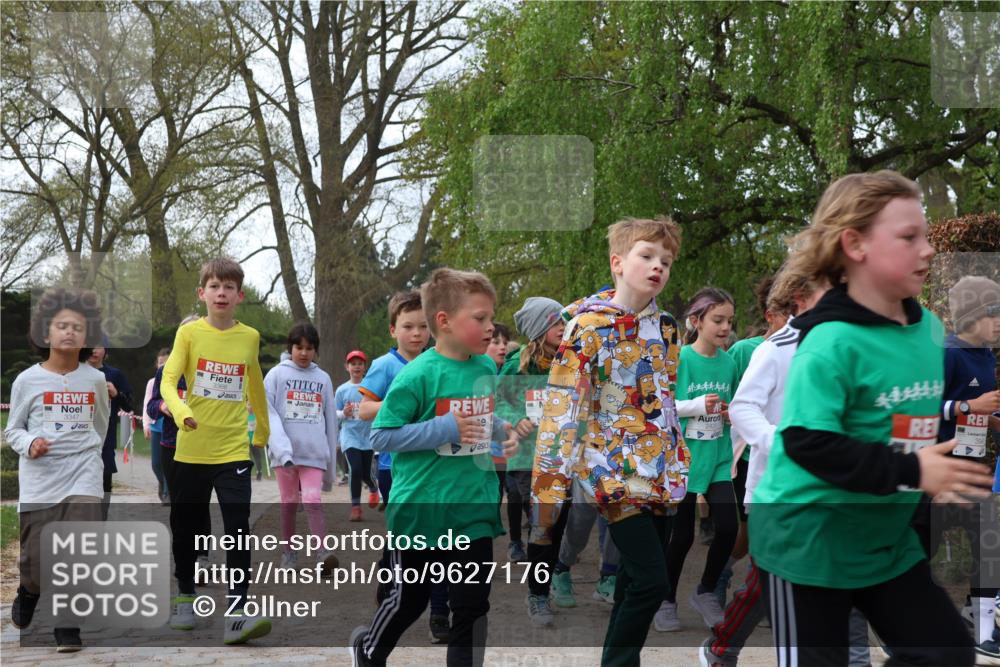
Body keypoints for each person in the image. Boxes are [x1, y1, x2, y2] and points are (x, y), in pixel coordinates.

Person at [748, 170, 993, 667]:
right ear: (854, 244)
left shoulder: (929, 330)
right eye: (909, 237)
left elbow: (899, 424)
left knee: (949, 655)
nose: (927, 250)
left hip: (884, 544)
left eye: (927, 235)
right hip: (807, 544)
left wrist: (928, 466)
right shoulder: (829, 343)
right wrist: (914, 470)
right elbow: (805, 443)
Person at [531, 216, 690, 667]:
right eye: (646, 256)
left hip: (659, 469)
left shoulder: (669, 327)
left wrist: (676, 454)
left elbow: (665, 397)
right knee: (654, 582)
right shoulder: (587, 328)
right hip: (610, 470)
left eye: (666, 260)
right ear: (618, 263)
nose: (657, 266)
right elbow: (561, 409)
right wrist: (549, 490)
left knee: (631, 583)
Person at [349, 268, 518, 667]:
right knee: (411, 599)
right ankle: (368, 651)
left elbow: (479, 417)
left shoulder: (485, 369)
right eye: (479, 319)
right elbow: (382, 437)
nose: (490, 327)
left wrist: (502, 431)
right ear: (443, 321)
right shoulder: (417, 375)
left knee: (472, 606)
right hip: (423, 509)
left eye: (490, 318)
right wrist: (442, 428)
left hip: (474, 507)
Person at [700, 267, 865, 667]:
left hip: (832, 488)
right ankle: (721, 648)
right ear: (801, 300)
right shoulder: (774, 349)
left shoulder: (846, 347)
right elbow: (741, 407)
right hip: (777, 489)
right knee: (768, 585)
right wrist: (781, 442)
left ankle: (856, 660)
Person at [160, 257, 272, 645]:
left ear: (239, 295)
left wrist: (264, 431)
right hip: (191, 450)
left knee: (238, 530)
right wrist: (181, 411)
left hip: (233, 450)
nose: (221, 293)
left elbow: (255, 382)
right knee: (185, 528)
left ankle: (237, 611)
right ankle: (185, 595)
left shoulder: (250, 337)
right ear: (202, 293)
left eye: (229, 287)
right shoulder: (189, 335)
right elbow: (169, 380)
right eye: (214, 286)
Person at [7, 287, 109, 652]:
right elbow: (13, 429)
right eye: (61, 325)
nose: (69, 332)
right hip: (40, 478)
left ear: (87, 336)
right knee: (35, 558)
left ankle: (68, 625)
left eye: (77, 327)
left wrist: (88, 456)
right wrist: (29, 443)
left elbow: (101, 426)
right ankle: (29, 588)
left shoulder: (94, 380)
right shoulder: (27, 381)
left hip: (83, 471)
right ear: (45, 333)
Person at [356, 290, 447, 642]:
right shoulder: (384, 366)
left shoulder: (438, 361)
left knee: (441, 540)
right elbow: (364, 410)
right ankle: (392, 580)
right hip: (394, 466)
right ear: (394, 329)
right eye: (408, 326)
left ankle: (439, 612)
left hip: (434, 464)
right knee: (406, 537)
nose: (416, 333)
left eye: (423, 326)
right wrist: (400, 405)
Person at [918, 276, 1000, 659]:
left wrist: (992, 417)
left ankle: (982, 627)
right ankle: (903, 625)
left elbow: (979, 406)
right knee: (922, 550)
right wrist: (970, 407)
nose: (999, 321)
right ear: (969, 316)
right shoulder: (946, 353)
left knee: (989, 544)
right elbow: (923, 410)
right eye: (992, 312)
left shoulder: (986, 355)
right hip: (936, 471)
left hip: (969, 467)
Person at [654, 288, 739, 632]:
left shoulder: (729, 361)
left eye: (729, 321)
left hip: (717, 455)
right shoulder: (682, 359)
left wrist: (732, 413)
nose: (724, 328)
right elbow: (665, 408)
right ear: (696, 321)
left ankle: (705, 591)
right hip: (685, 459)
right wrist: (698, 405)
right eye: (718, 320)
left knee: (729, 528)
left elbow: (731, 404)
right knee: (682, 537)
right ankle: (666, 599)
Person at [495, 297, 569, 615]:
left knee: (556, 525)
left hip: (562, 456)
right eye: (556, 322)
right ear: (539, 328)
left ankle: (547, 580)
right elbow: (497, 403)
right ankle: (537, 595)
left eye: (564, 320)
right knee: (542, 523)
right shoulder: (518, 365)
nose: (563, 326)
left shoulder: (569, 361)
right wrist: (516, 419)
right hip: (526, 458)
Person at [264, 322, 339, 571]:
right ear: (291, 347)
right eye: (299, 347)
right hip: (284, 454)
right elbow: (268, 413)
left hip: (314, 452)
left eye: (309, 348)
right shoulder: (276, 375)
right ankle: (289, 552)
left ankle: (322, 553)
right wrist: (280, 448)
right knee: (288, 502)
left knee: (313, 499)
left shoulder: (323, 379)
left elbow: (330, 420)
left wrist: (330, 461)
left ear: (316, 350)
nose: (304, 353)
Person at [86, 344, 132, 516]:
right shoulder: (74, 373)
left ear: (106, 351)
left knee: (104, 478)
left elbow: (128, 405)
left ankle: (101, 518)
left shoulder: (114, 375)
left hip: (105, 438)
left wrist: (116, 394)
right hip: (78, 436)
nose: (94, 350)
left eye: (99, 346)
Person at [335, 349, 378, 521]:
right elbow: (334, 413)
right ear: (347, 367)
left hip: (367, 435)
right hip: (350, 435)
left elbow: (377, 407)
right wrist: (343, 413)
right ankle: (355, 507)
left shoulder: (371, 386)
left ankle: (374, 489)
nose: (357, 367)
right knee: (356, 469)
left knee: (366, 473)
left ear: (364, 367)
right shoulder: (342, 390)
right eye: (353, 364)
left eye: (360, 364)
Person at [143, 348, 171, 504]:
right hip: (156, 427)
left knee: (169, 462)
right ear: (156, 364)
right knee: (156, 464)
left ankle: (168, 493)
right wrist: (146, 424)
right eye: (161, 363)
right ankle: (162, 483)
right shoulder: (152, 383)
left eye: (167, 363)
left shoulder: (176, 380)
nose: (163, 366)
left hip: (172, 429)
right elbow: (148, 403)